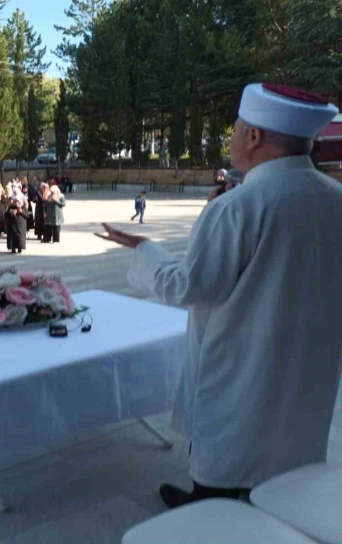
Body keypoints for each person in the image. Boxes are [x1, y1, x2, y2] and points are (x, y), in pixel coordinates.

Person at [98, 82, 342, 510]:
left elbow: (190, 285)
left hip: (245, 368)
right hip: (309, 367)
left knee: (228, 461)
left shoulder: (238, 207)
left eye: (234, 129)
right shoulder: (335, 199)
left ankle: (209, 512)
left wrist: (145, 250)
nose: (230, 138)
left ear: (254, 136)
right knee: (289, 456)